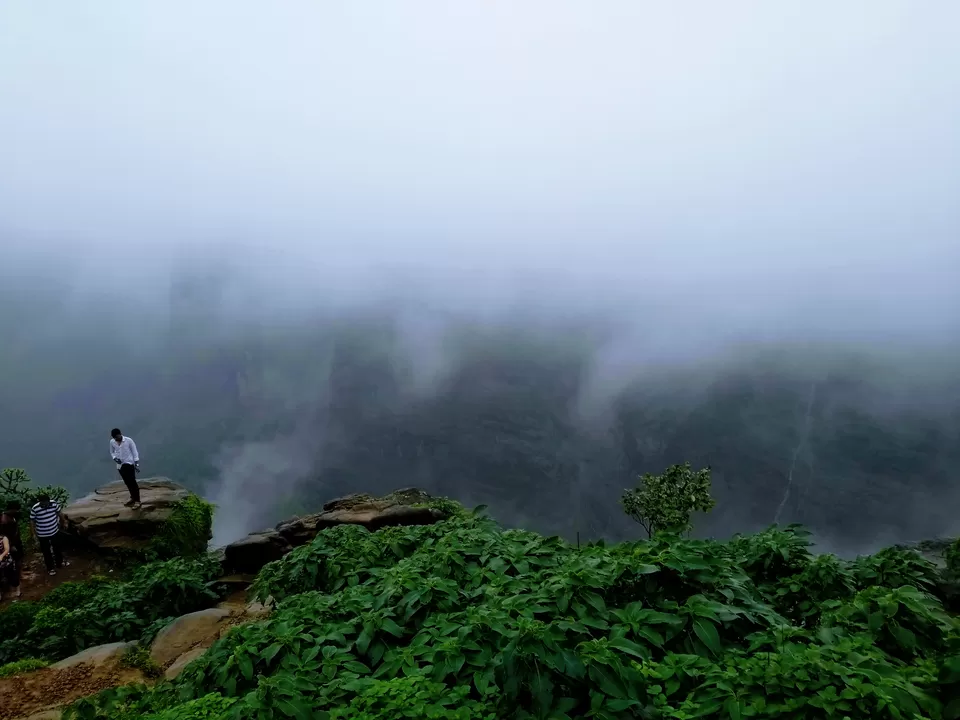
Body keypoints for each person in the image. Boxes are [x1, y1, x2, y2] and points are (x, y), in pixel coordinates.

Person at [30, 493, 70, 576]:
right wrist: (34, 534)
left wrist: (64, 522)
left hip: (54, 531)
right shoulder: (35, 508)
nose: (45, 505)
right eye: (43, 503)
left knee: (57, 548)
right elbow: (32, 522)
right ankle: (50, 568)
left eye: (46, 503)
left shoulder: (53, 504)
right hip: (42, 534)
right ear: (39, 502)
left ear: (48, 501)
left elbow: (59, 513)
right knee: (46, 551)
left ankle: (60, 563)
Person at [109, 428, 141, 508]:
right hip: (120, 465)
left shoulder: (128, 440)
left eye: (117, 437)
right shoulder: (112, 442)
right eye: (114, 438)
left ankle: (137, 501)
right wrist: (115, 458)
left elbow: (134, 451)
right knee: (127, 482)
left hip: (129, 463)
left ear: (120, 434)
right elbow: (112, 452)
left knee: (132, 482)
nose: (116, 439)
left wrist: (136, 464)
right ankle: (132, 498)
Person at [0, 505, 24, 595]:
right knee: (13, 563)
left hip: (15, 543)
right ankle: (14, 581)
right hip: (10, 545)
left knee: (17, 560)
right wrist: (11, 545)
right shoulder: (5, 520)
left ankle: (17, 577)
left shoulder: (11, 518)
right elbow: (6, 535)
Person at [0, 532, 21, 601]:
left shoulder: (4, 538)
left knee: (12, 576)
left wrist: (1, 556)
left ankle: (17, 590)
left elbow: (7, 549)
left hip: (6, 561)